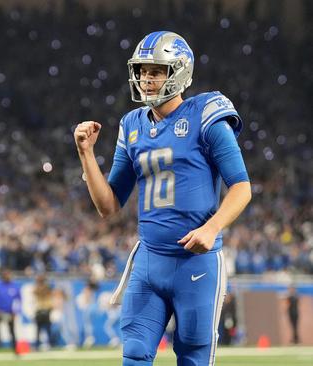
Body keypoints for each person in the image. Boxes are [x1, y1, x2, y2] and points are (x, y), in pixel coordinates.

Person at [74, 31, 252, 366]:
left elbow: (242, 187)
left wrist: (212, 228)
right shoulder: (132, 125)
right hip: (149, 262)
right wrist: (86, 155)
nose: (146, 79)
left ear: (179, 71)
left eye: (155, 71)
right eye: (142, 71)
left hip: (195, 264)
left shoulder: (206, 116)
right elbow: (108, 205)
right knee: (135, 355)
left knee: (193, 357)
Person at [0, 269, 20, 353]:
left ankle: (15, 349)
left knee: (12, 331)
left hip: (9, 312)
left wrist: (15, 311)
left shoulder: (14, 286)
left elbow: (18, 300)